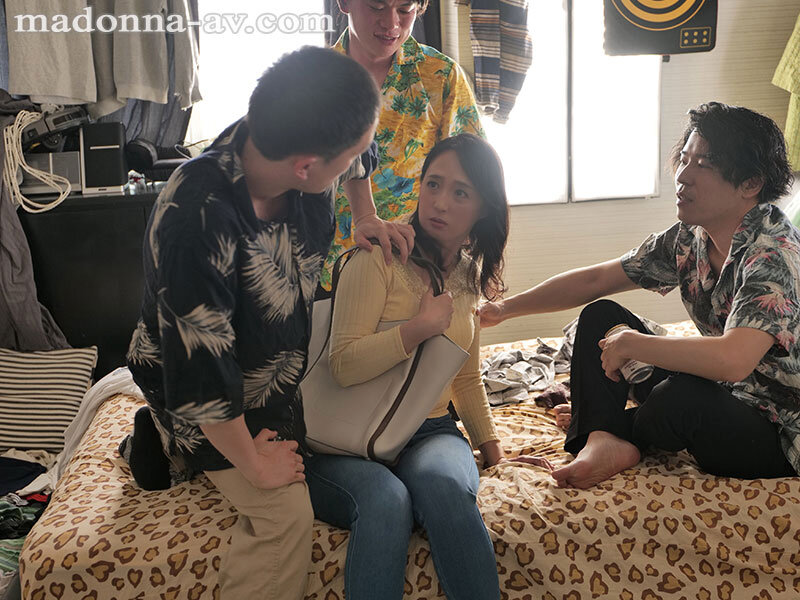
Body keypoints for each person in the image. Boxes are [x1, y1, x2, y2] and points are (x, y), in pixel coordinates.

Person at [122, 47, 380, 600]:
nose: (352, 164)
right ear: (306, 168)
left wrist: (365, 215)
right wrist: (255, 467)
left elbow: (359, 150)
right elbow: (202, 377)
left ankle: (164, 448)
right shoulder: (196, 220)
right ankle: (167, 434)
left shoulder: (298, 132)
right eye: (342, 163)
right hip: (193, 380)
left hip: (274, 362)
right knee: (285, 516)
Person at [479, 102, 800, 488]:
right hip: (727, 390)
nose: (683, 176)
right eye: (684, 159)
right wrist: (504, 309)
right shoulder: (690, 238)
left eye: (703, 165)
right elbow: (596, 280)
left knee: (678, 400)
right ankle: (601, 438)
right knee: (600, 316)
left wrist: (633, 344)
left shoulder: (774, 253)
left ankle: (614, 428)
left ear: (750, 183)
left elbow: (733, 360)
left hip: (777, 429)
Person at [305, 134, 551, 600]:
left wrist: (495, 454)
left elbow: (465, 378)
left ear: (483, 208)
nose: (440, 202)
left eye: (461, 192)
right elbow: (342, 365)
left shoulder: (469, 276)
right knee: (386, 499)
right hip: (343, 439)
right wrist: (418, 328)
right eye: (433, 184)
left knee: (445, 486)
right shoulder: (377, 256)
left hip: (429, 430)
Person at [319, 0, 485, 290]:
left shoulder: (441, 76)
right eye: (376, 6)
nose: (391, 23)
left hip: (415, 267)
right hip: (326, 269)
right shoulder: (313, 80)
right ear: (344, 3)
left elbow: (475, 176)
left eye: (405, 9)